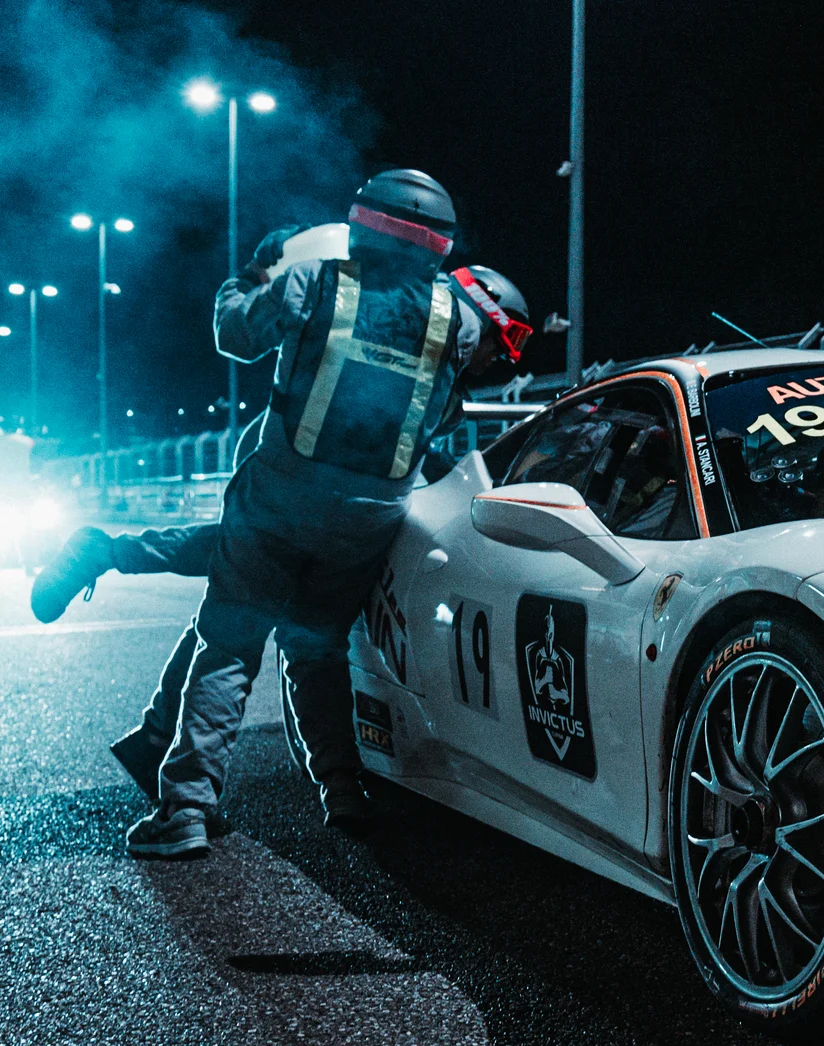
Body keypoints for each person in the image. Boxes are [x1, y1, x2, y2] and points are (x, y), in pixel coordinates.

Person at [31, 264, 533, 811]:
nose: (506, 358)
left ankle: (158, 725)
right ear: (482, 307)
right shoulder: (419, 328)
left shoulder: (437, 354)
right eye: (508, 337)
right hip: (299, 468)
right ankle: (291, 785)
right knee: (253, 616)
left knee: (237, 596)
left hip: (311, 476)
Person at [124, 168, 481, 859]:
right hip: (373, 513)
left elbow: (236, 335)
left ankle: (185, 811)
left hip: (282, 495)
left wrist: (249, 273)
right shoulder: (458, 319)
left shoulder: (313, 279)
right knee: (316, 650)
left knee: (228, 646)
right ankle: (343, 791)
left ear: (359, 223)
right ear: (440, 245)